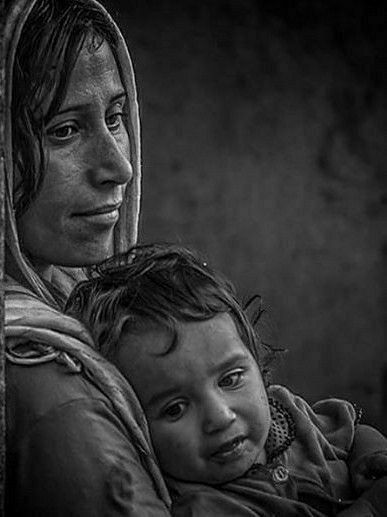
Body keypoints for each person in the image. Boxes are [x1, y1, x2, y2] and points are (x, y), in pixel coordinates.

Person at [66, 243, 387, 517]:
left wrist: (369, 459)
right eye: (176, 408)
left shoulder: (287, 416)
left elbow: (357, 433)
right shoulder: (205, 507)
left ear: (256, 363)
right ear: (136, 428)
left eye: (231, 379)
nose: (220, 417)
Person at [4, 0, 172, 514]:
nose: (119, 166)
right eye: (64, 130)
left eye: (116, 117)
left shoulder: (70, 294)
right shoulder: (46, 383)